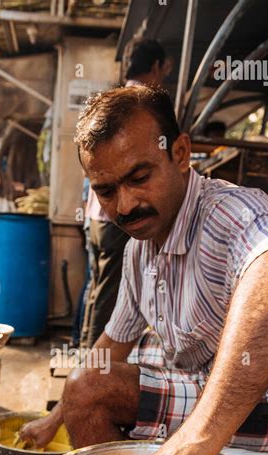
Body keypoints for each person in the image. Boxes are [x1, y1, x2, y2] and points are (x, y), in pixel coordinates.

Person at [20, 86, 268, 455]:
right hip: (205, 384)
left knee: (93, 392)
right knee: (86, 385)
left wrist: (189, 449)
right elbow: (113, 343)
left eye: (139, 177)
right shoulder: (140, 249)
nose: (125, 205)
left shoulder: (228, 211)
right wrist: (59, 412)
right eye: (106, 190)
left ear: (180, 153)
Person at [80, 38, 172, 349]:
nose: (128, 202)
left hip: (95, 218)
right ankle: (91, 363)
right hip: (108, 224)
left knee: (96, 289)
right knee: (106, 295)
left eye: (140, 177)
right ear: (157, 66)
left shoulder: (109, 101)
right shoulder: (141, 106)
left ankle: (85, 354)